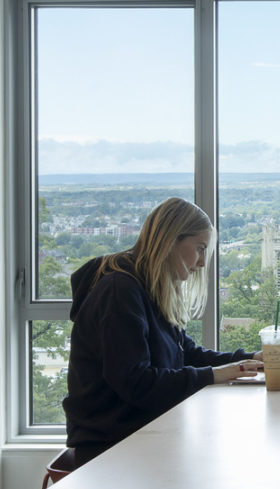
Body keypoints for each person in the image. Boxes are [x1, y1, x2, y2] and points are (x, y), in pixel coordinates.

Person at [63, 197, 262, 464]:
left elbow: (186, 354)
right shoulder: (120, 292)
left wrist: (247, 361)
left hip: (145, 433)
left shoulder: (149, 286)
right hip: (113, 447)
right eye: (200, 249)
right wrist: (214, 375)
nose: (202, 262)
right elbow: (136, 383)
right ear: (171, 241)